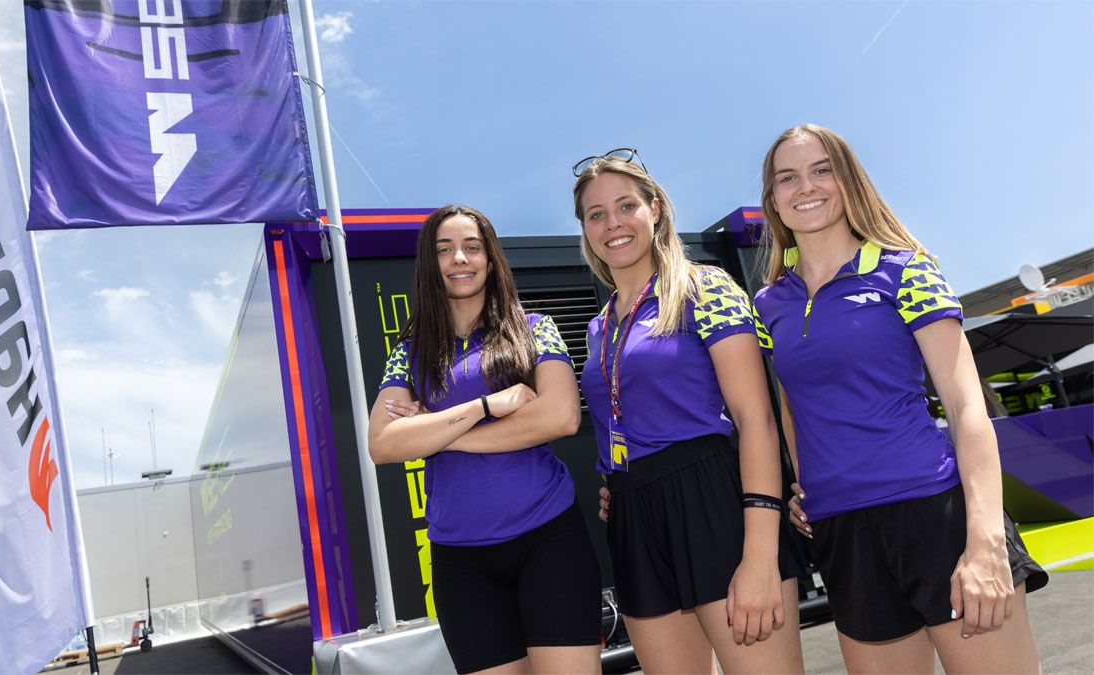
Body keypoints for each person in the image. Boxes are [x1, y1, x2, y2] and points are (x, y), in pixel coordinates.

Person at [753, 124, 1047, 673]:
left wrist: (984, 542)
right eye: (787, 178)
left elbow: (965, 408)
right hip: (841, 530)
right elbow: (790, 404)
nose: (806, 187)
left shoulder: (904, 268)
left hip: (936, 512)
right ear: (772, 198)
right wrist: (804, 482)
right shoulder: (770, 303)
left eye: (822, 170)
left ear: (849, 180)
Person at [573, 150, 805, 673]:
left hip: (712, 504)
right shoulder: (599, 324)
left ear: (654, 210)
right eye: (596, 214)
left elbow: (755, 420)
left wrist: (760, 554)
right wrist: (617, 477)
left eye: (626, 205)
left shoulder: (706, 286)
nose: (613, 224)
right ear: (585, 229)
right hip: (634, 518)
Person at [368, 204, 602, 675]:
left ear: (490, 260)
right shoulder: (409, 352)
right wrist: (484, 407)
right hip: (460, 561)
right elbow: (384, 444)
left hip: (549, 540)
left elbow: (559, 416)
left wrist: (435, 432)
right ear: (429, 266)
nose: (460, 259)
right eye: (445, 250)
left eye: (472, 248)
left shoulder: (533, 329)